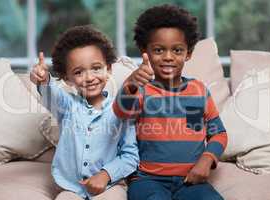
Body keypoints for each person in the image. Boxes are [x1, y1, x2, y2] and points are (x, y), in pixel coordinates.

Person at [113, 4, 227, 200]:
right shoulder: (141, 90)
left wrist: (206, 159)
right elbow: (121, 112)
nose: (168, 57)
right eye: (158, 50)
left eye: (177, 50)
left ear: (188, 53)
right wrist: (131, 83)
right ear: (145, 51)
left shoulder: (197, 91)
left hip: (191, 181)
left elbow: (219, 134)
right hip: (147, 180)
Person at [30, 25, 139, 200]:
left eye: (96, 68)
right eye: (78, 72)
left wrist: (106, 175)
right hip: (71, 188)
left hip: (109, 186)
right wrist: (44, 80)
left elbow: (130, 156)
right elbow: (52, 95)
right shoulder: (67, 106)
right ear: (67, 78)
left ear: (108, 68)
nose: (89, 78)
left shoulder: (122, 108)